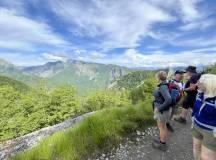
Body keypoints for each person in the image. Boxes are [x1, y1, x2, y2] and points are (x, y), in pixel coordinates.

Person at [192, 74, 216, 160]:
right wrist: (193, 118)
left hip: (211, 132)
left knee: (206, 157)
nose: (197, 83)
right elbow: (195, 108)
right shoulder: (200, 94)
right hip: (197, 126)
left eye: (200, 82)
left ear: (208, 84)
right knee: (196, 148)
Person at [152, 71, 172, 151]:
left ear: (159, 77)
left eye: (156, 76)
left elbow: (169, 99)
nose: (155, 78)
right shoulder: (164, 84)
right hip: (163, 110)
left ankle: (162, 144)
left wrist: (159, 108)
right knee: (163, 126)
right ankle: (162, 139)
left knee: (161, 127)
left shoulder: (163, 86)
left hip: (162, 111)